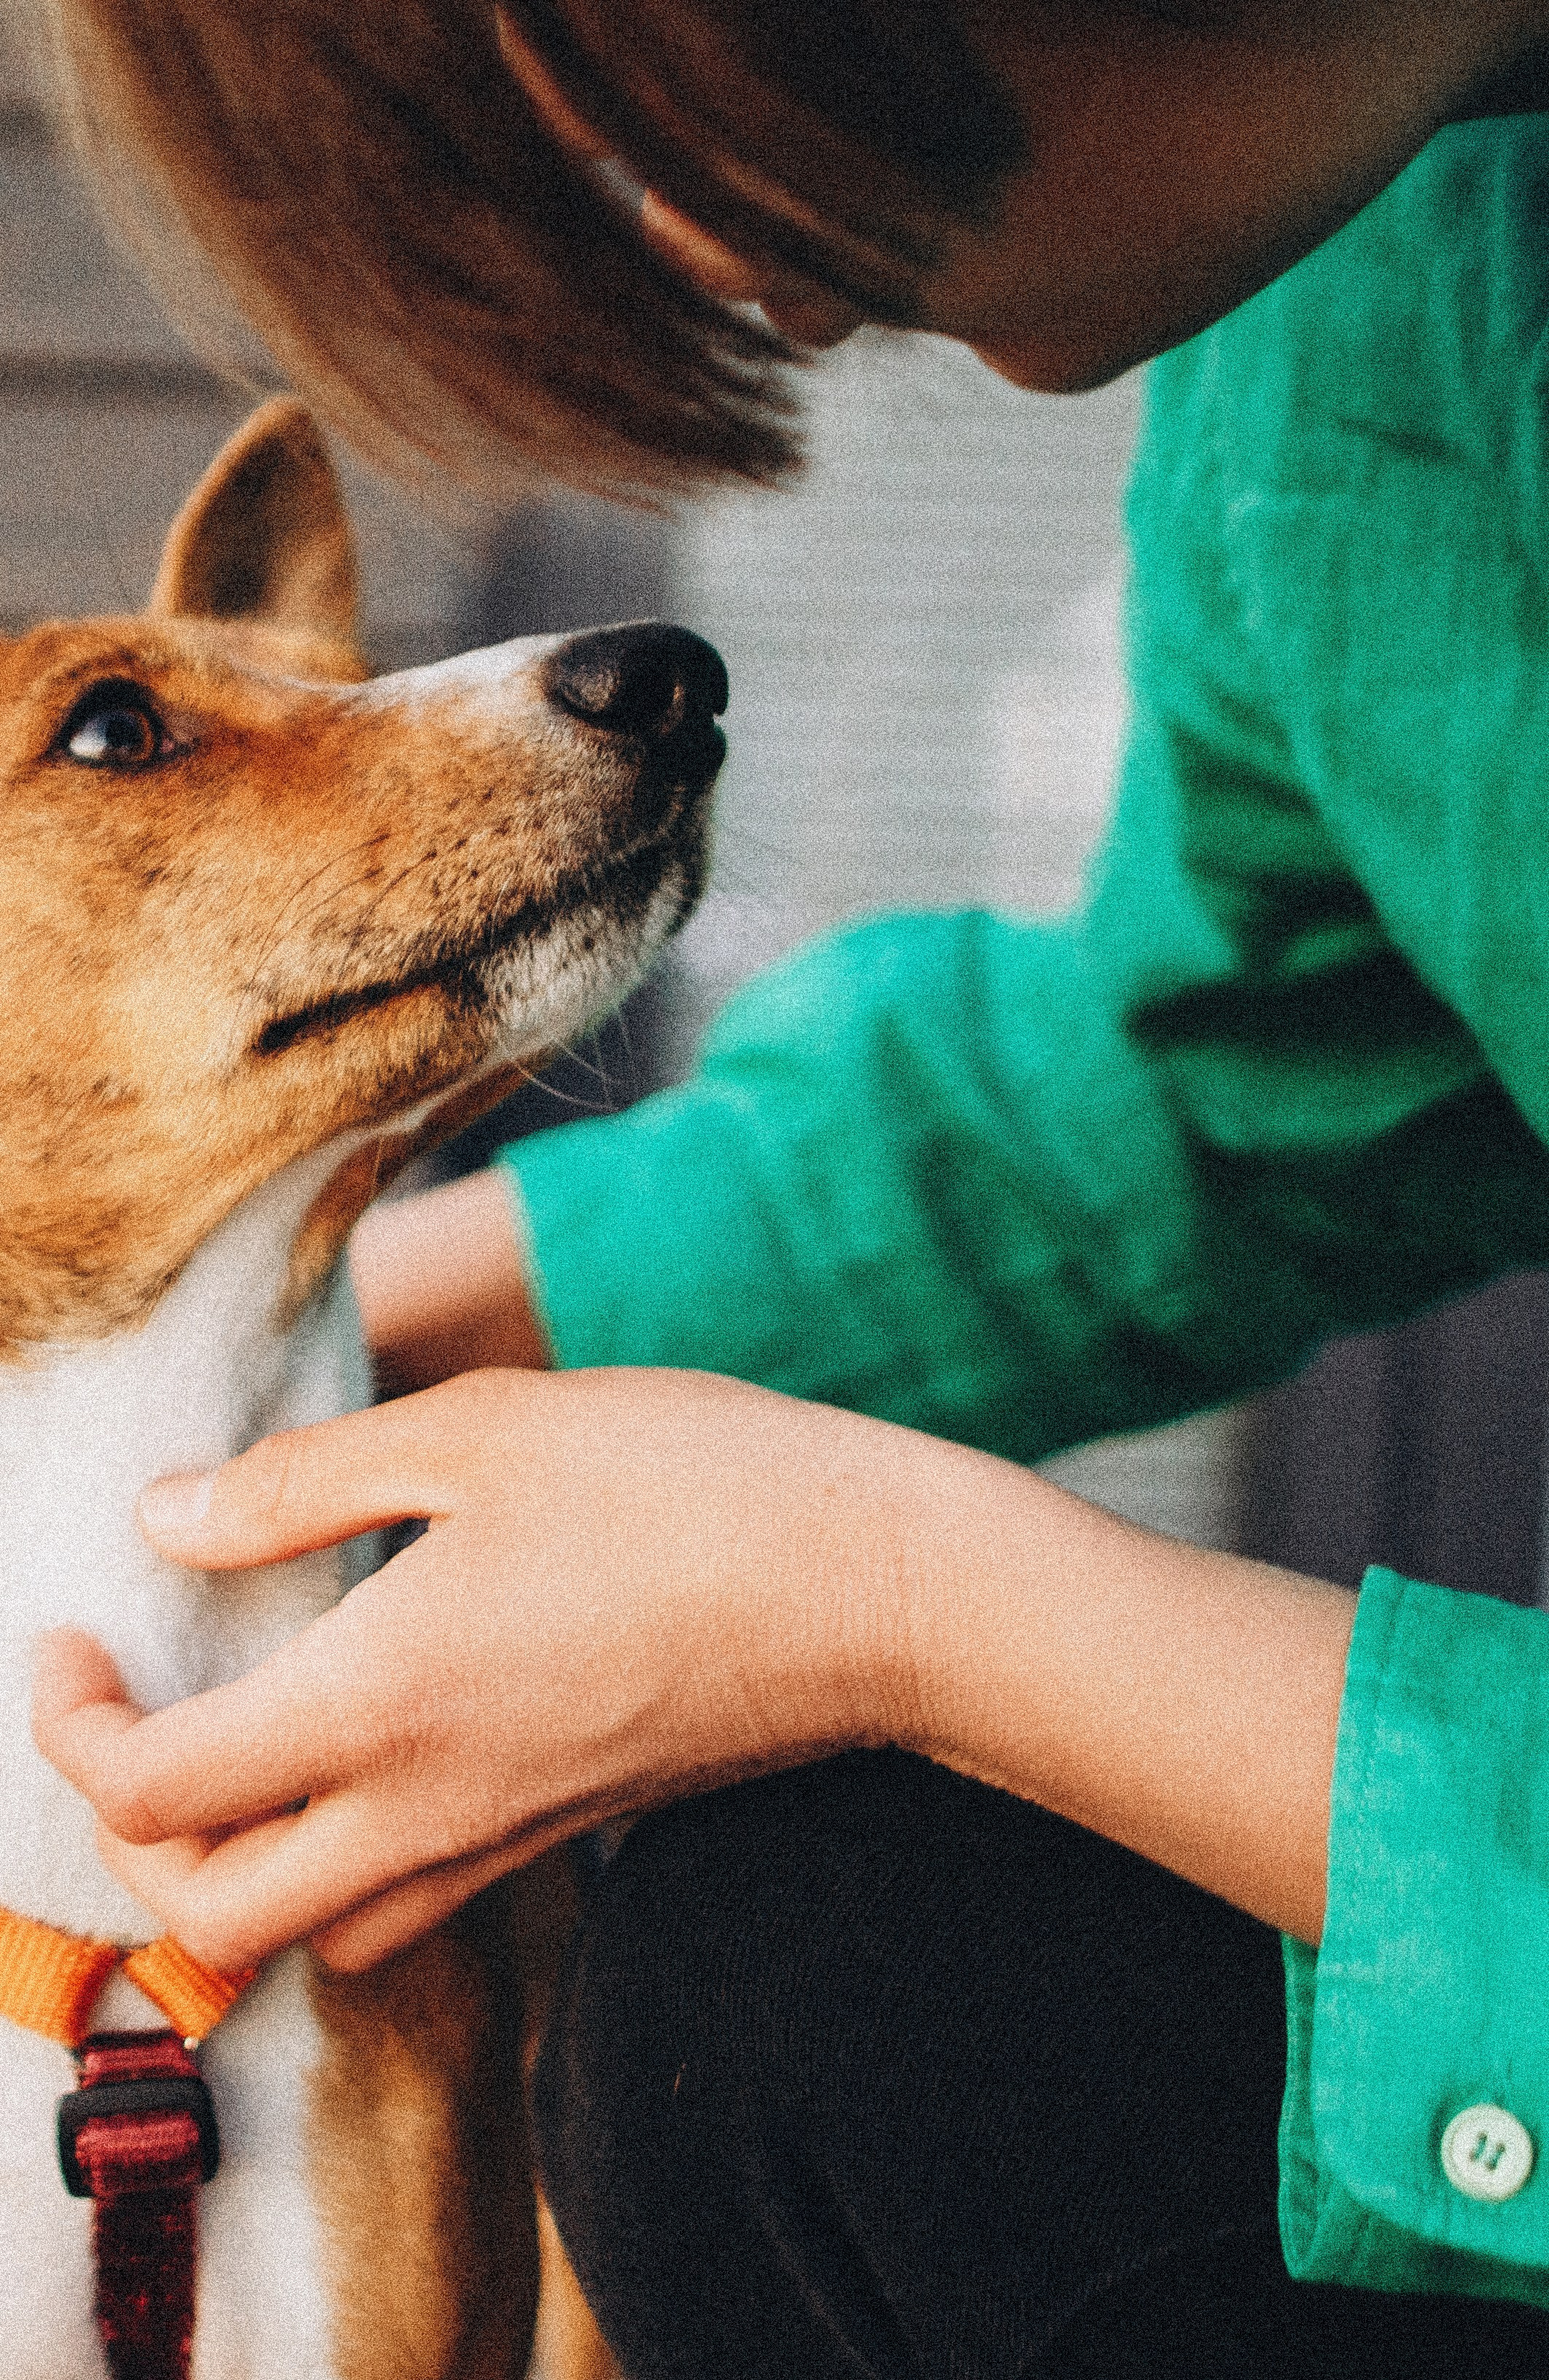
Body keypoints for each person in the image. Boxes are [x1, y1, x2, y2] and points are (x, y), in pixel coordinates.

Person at [31, 0, 1549, 2369]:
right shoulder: (1346, 312)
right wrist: (297, 1304)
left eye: (675, 67)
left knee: (804, 1977)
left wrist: (899, 1604)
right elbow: (1210, 1077)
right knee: (812, 1984)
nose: (659, 235)